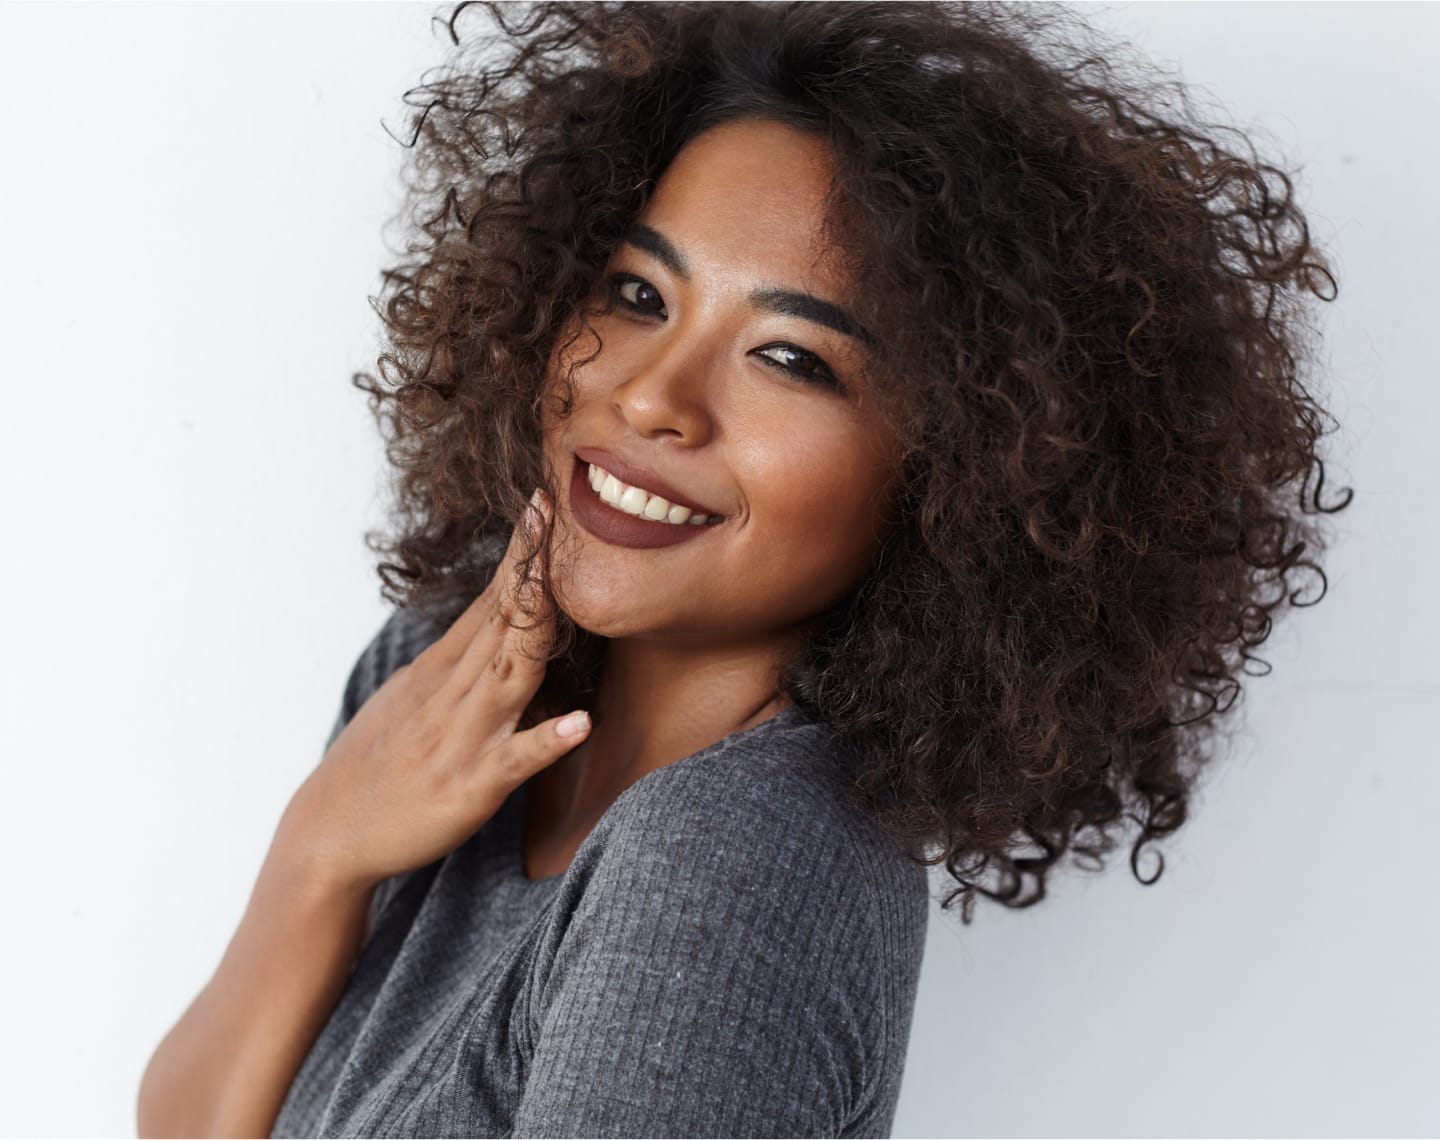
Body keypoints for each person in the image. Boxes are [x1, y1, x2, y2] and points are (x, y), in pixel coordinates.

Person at [138, 1, 1352, 1136]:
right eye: (636, 291)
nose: (652, 396)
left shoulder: (745, 857)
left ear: (963, 473)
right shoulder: (440, 673)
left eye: (792, 359)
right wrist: (320, 851)